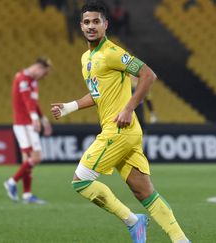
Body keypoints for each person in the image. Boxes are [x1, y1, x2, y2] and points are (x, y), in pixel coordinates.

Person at [50, 1, 190, 243]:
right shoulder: (87, 58)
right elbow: (98, 94)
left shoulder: (113, 53)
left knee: (80, 181)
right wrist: (70, 107)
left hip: (119, 129)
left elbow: (148, 75)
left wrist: (128, 108)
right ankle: (181, 240)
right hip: (127, 132)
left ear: (106, 24)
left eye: (96, 21)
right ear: (81, 26)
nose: (91, 26)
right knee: (144, 192)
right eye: (87, 22)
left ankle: (133, 221)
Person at [4, 57, 53, 204]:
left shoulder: (32, 81)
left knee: (27, 161)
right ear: (39, 68)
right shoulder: (22, 78)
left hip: (28, 123)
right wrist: (34, 118)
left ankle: (27, 195)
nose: (43, 77)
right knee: (37, 157)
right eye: (44, 74)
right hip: (24, 124)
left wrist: (43, 119)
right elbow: (26, 100)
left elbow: (33, 103)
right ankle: (11, 182)